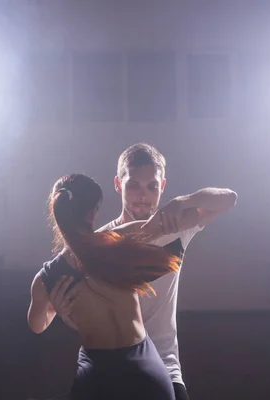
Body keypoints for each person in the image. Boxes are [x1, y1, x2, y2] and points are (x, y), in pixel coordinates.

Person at [27, 173, 203, 400]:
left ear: (57, 211)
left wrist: (55, 309)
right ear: (93, 213)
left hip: (98, 377)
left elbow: (37, 326)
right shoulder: (118, 240)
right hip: (146, 372)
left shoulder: (45, 279)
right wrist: (181, 205)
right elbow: (199, 213)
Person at [97, 143, 238, 400]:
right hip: (112, 369)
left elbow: (229, 198)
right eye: (134, 185)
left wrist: (184, 201)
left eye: (152, 186)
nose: (143, 195)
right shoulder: (100, 241)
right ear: (118, 184)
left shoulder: (177, 226)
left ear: (162, 186)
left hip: (165, 366)